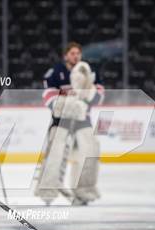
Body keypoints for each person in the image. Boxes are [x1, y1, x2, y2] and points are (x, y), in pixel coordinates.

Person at [35, 42, 104, 206]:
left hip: (83, 121)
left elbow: (99, 96)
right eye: (72, 53)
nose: (75, 56)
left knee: (90, 155)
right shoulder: (55, 72)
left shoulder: (89, 72)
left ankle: (84, 192)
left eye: (78, 53)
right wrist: (70, 105)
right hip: (61, 122)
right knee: (54, 157)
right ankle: (47, 192)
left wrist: (88, 94)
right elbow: (48, 98)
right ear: (66, 55)